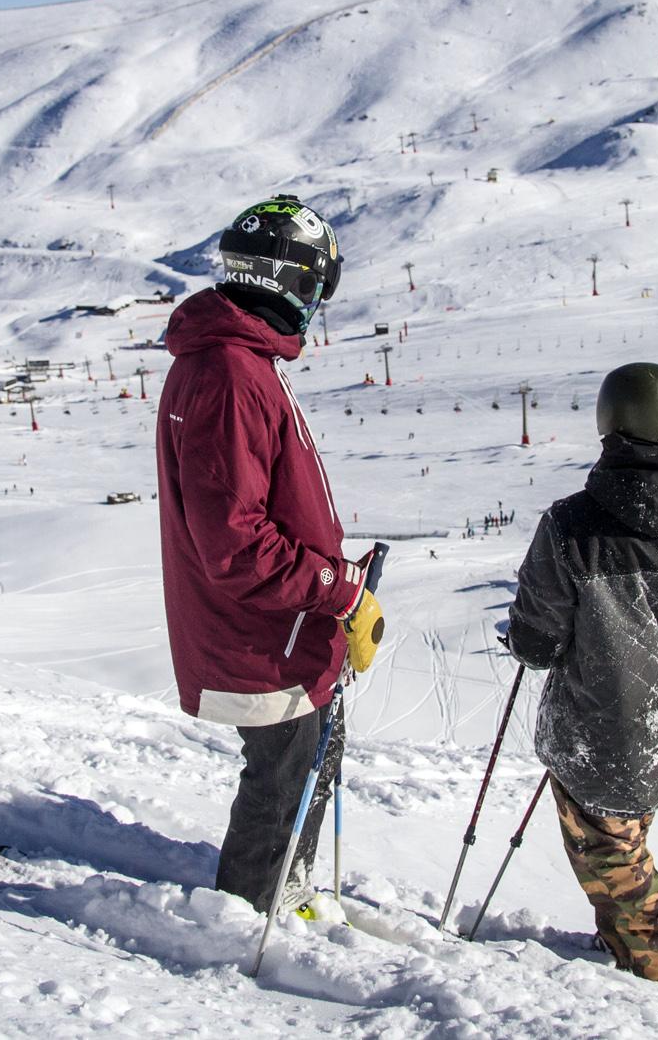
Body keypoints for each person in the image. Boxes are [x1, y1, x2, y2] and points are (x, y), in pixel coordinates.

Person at [156, 194, 383, 919]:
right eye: (317, 287)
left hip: (279, 619)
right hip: (260, 626)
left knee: (309, 755)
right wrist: (336, 593)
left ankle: (283, 880)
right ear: (287, 282)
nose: (317, 304)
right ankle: (250, 910)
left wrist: (333, 579)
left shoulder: (238, 359)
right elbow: (236, 541)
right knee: (285, 773)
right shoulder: (230, 373)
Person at [502, 362, 658, 996]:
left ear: (608, 427)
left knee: (622, 873)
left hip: (590, 741)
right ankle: (626, 951)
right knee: (626, 846)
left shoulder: (571, 526)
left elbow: (537, 640)